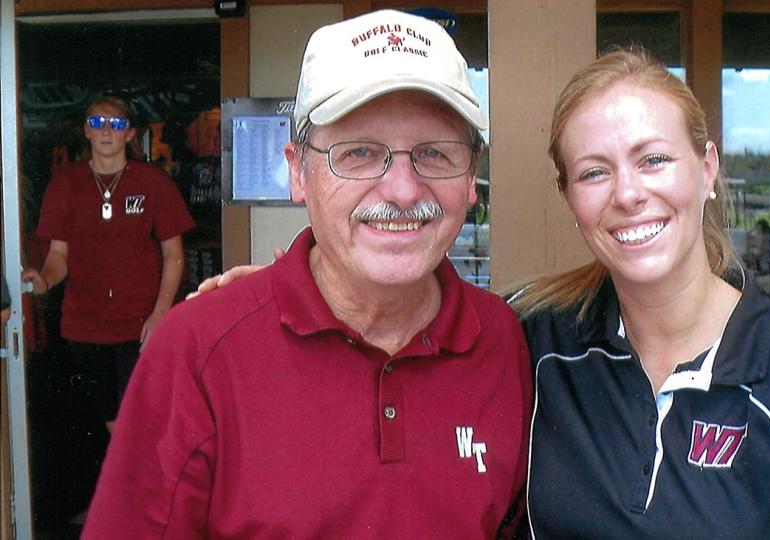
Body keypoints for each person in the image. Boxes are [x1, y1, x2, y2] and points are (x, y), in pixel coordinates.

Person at [81, 10, 531, 539]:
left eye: (434, 153)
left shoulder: (504, 339)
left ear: (471, 177)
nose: (403, 190)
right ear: (298, 171)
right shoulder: (197, 351)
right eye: (359, 153)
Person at [510, 49, 770, 538]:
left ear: (707, 169)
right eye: (594, 172)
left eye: (653, 159)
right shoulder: (534, 350)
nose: (627, 194)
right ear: (570, 197)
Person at [21, 96, 195, 435]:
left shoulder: (152, 182)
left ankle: (142, 484)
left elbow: (173, 253)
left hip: (141, 324)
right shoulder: (65, 184)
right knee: (109, 421)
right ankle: (132, 482)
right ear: (86, 130)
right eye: (97, 123)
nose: (105, 131)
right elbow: (59, 256)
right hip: (84, 327)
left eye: (115, 124)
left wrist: (161, 314)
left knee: (138, 419)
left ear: (130, 134)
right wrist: (42, 280)